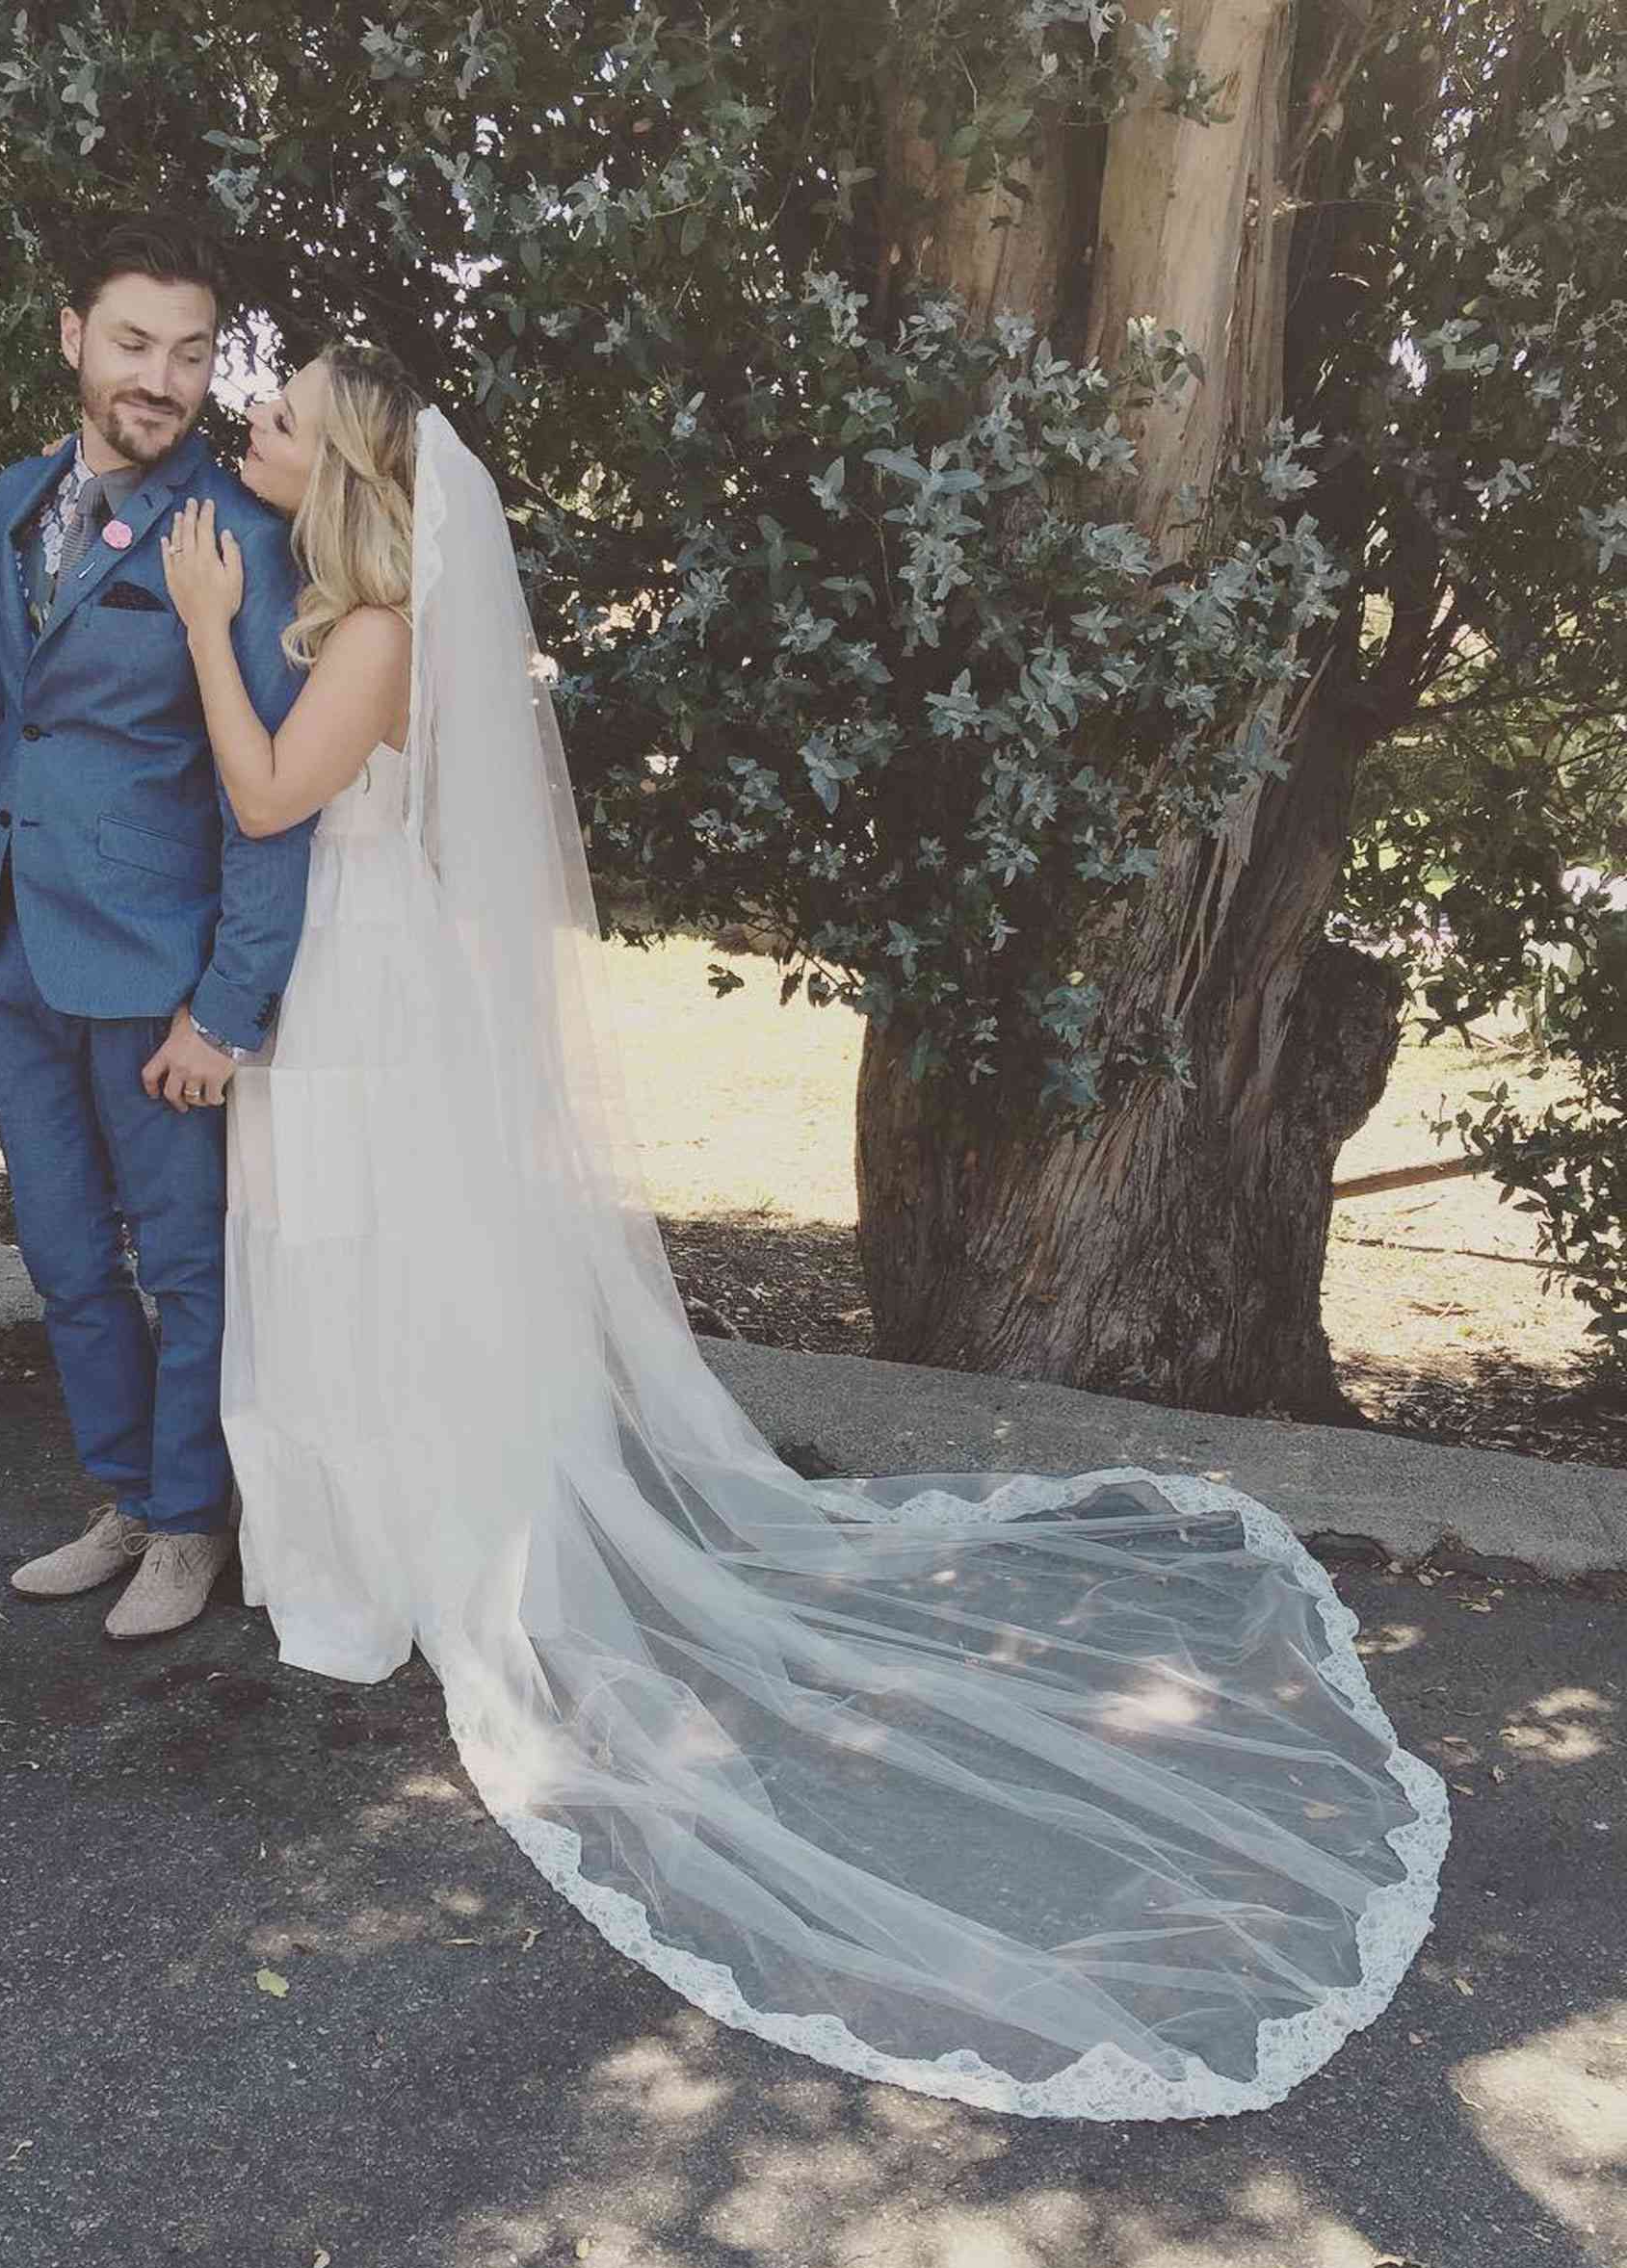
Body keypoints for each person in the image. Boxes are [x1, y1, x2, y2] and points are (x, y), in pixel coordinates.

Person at [158, 344, 1451, 2120]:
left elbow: (262, 798)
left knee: (355, 1256)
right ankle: (368, 1538)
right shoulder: (357, 618)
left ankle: (389, 1562)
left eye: (286, 415)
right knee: (357, 1262)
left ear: (355, 469)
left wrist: (199, 623)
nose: (258, 427)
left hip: (365, 986)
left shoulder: (365, 634)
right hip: (360, 971)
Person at [0, 218, 312, 1641]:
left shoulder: (238, 535)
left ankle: (190, 1522)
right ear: (72, 335)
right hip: (11, 949)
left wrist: (225, 1008)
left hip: (158, 971)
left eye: (195, 352)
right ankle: (123, 1493)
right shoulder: (11, 500)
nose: (162, 378)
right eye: (136, 341)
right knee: (61, 1250)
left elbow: (268, 802)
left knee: (186, 1257)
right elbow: (2, 706)